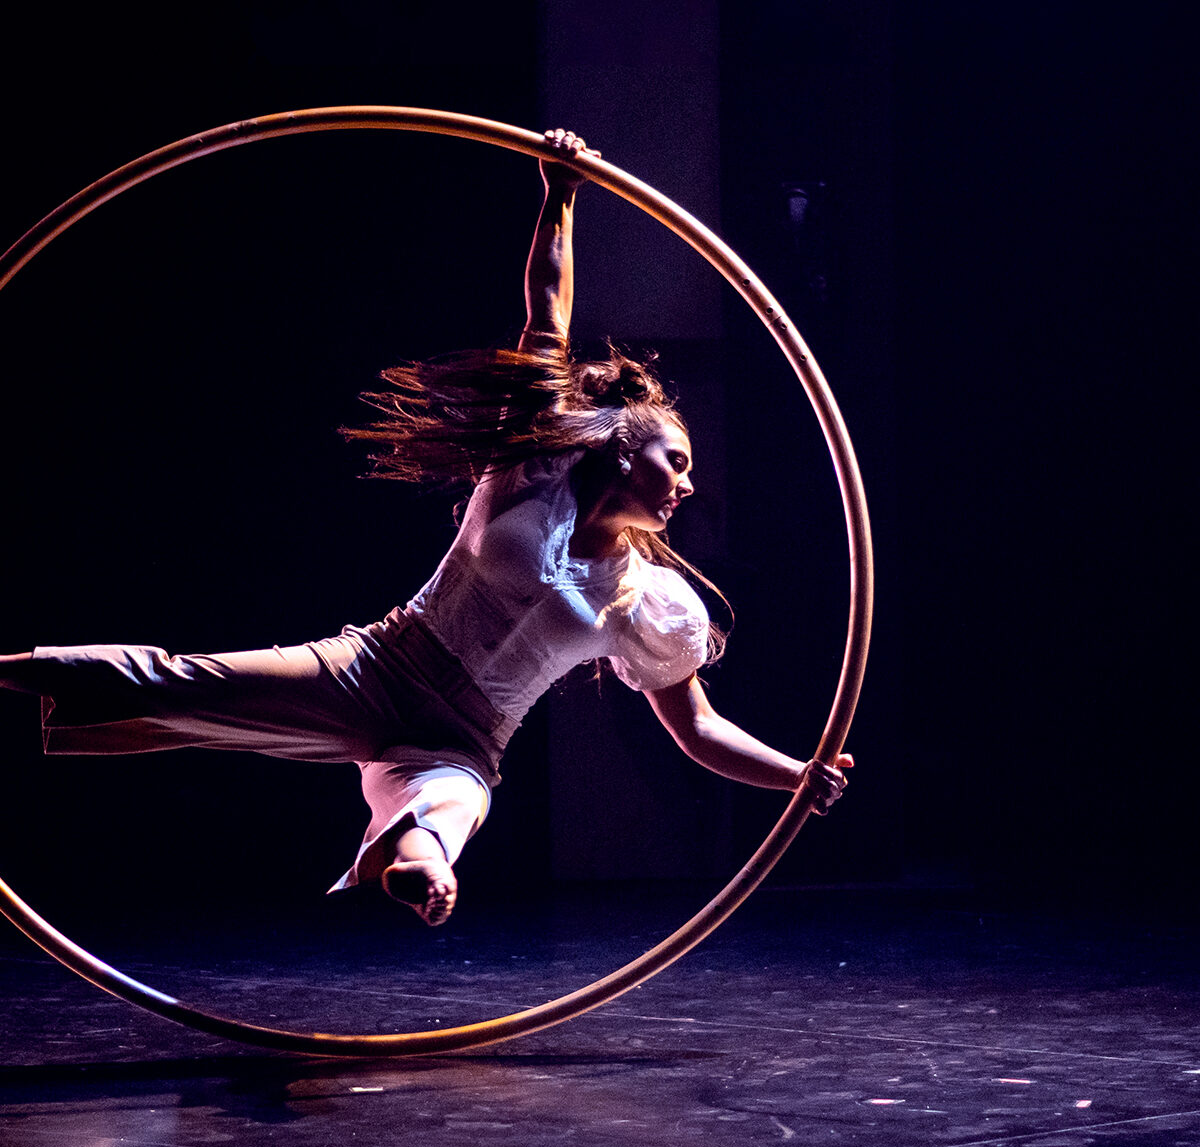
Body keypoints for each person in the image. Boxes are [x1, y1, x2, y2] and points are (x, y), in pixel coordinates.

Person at [0, 130, 852, 927]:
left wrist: (795, 777)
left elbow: (696, 729)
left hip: (467, 739)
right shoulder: (530, 468)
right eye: (677, 460)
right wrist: (560, 195)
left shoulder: (652, 601)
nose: (689, 484)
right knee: (185, 681)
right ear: (620, 449)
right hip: (377, 670)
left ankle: (419, 871)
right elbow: (544, 323)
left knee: (447, 807)